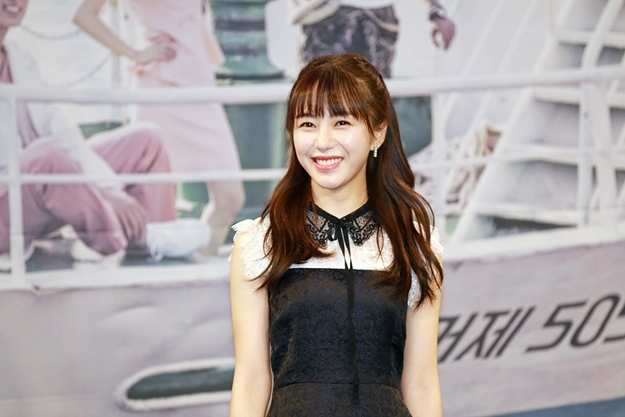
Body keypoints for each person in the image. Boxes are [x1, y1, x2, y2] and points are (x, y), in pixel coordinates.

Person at [229, 53, 444, 416]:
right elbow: (250, 379)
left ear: (377, 132)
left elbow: (422, 384)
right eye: (307, 123)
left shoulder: (415, 244)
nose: (322, 141)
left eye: (341, 122)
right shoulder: (259, 243)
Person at [0, 0, 208, 262]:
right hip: (8, 209)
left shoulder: (19, 58)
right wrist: (100, 193)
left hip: (39, 192)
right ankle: (129, 238)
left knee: (146, 140)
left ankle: (155, 242)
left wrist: (106, 189)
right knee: (47, 156)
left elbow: (60, 130)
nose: (16, 1)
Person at [73, 0, 245, 255]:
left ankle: (196, 265)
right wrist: (135, 53)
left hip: (199, 84)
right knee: (161, 202)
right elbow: (85, 15)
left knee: (230, 197)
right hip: (160, 86)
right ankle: (171, 270)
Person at [292, 0, 456, 78]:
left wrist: (434, 10)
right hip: (324, 18)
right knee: (319, 99)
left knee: (373, 105)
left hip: (376, 19)